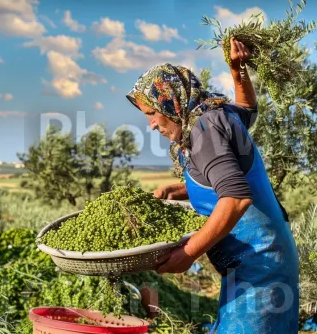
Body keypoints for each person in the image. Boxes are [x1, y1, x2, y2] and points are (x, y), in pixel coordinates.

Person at [126, 37, 300, 333]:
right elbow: (248, 108)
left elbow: (235, 198)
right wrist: (238, 70)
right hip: (258, 264)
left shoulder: (204, 131)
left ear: (170, 101)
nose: (152, 125)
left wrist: (189, 252)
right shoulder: (216, 114)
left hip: (260, 267)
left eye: (151, 113)